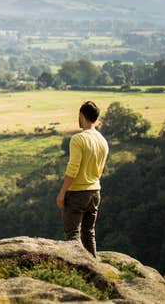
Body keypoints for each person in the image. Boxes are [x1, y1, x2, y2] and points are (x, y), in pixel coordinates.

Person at [56, 100, 109, 257]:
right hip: (95, 192)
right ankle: (94, 268)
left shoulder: (78, 139)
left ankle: (77, 273)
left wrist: (62, 192)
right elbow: (99, 169)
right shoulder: (102, 141)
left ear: (81, 115)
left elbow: (73, 168)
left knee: (72, 236)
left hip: (78, 192)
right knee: (89, 233)